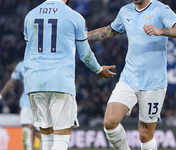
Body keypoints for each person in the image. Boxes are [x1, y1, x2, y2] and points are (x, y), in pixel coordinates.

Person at [87, 0, 176, 149]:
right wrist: (85, 35)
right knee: (109, 122)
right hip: (129, 78)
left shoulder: (161, 9)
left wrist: (161, 31)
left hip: (154, 84)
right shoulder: (125, 11)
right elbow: (109, 31)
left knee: (145, 135)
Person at [23, 0, 116, 150]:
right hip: (59, 81)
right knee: (61, 137)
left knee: (46, 135)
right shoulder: (74, 17)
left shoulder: (30, 15)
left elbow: (30, 46)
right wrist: (99, 70)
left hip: (34, 82)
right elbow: (85, 54)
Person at [0, 60, 40, 150]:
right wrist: (1, 95)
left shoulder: (45, 63)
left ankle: (37, 148)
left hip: (41, 104)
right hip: (26, 103)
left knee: (40, 132)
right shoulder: (21, 65)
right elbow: (11, 82)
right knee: (26, 129)